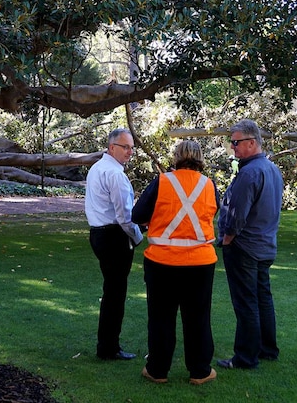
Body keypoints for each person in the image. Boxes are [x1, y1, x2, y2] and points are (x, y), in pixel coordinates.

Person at [132, 140, 220, 385]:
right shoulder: (209, 185)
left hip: (162, 261)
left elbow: (137, 215)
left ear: (176, 157)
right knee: (198, 317)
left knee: (161, 317)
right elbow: (213, 213)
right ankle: (200, 371)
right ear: (200, 158)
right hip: (201, 262)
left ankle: (157, 370)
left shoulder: (162, 182)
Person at [217, 119, 284, 370]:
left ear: (252, 143)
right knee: (263, 299)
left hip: (245, 247)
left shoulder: (249, 172)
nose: (232, 147)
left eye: (236, 142)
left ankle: (245, 357)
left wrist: (226, 240)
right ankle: (267, 349)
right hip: (265, 244)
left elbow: (236, 215)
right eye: (232, 142)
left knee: (246, 302)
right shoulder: (272, 169)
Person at [85, 128, 144, 361]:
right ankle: (109, 348)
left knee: (112, 291)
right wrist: (138, 237)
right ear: (111, 147)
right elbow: (125, 217)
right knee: (115, 294)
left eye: (131, 147)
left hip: (99, 234)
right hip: (113, 236)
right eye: (125, 147)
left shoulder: (97, 168)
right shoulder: (115, 174)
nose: (130, 151)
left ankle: (107, 345)